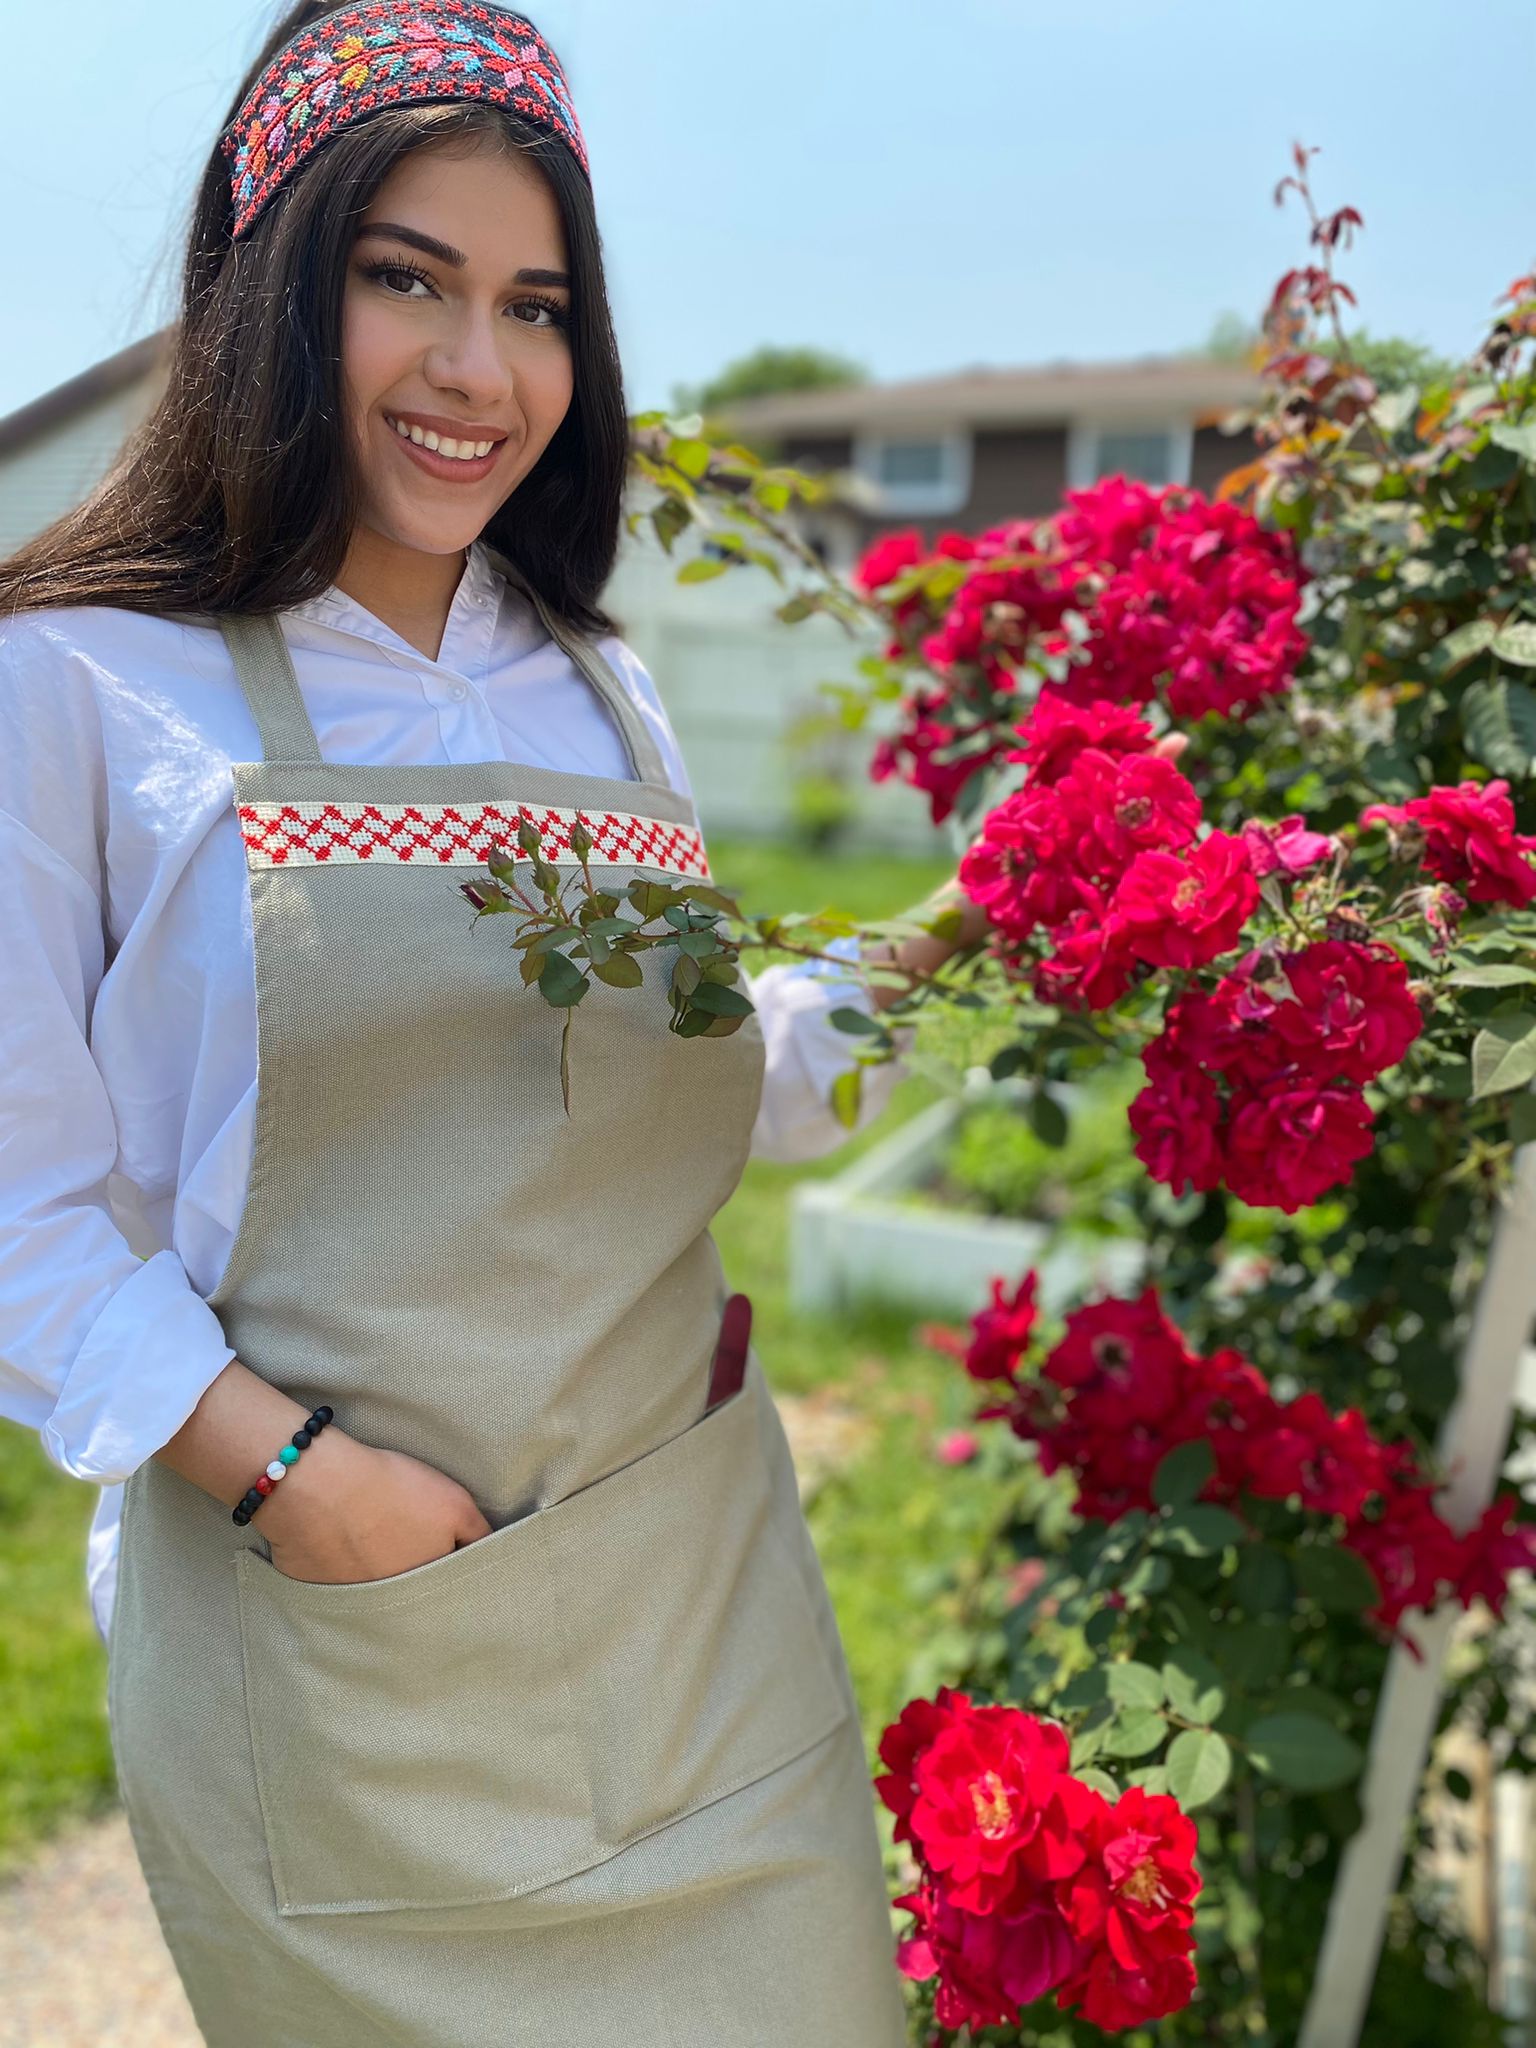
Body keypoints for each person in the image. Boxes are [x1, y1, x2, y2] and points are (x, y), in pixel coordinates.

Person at [0, 5, 990, 2042]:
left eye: (536, 304)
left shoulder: (598, 685)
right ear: (271, 287)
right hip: (338, 1658)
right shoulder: (83, 682)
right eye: (406, 281)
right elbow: (20, 1200)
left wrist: (989, 925)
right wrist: (290, 1474)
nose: (481, 371)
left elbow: (732, 1082)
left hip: (691, 1617)